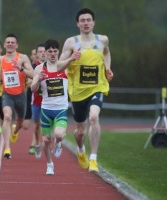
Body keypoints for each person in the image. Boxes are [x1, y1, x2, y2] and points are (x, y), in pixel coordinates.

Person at [58, 8, 114, 172]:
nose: (86, 23)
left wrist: (107, 68)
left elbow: (107, 53)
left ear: (93, 22)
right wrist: (71, 58)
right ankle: (81, 149)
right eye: (82, 20)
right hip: (77, 92)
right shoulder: (71, 42)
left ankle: (94, 159)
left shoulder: (103, 40)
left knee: (94, 117)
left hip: (97, 87)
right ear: (77, 24)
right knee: (80, 131)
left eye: (88, 20)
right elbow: (59, 65)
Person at [31, 39, 69, 175]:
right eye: (50, 51)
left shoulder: (65, 67)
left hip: (61, 109)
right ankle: (49, 164)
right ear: (45, 53)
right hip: (46, 109)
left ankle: (58, 142)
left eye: (55, 51)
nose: (52, 54)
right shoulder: (39, 69)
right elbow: (33, 88)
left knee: (59, 135)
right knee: (45, 140)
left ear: (58, 52)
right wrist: (38, 79)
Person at [0, 33, 33, 159]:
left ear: (16, 45)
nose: (10, 44)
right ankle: (7, 148)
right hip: (7, 95)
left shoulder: (22, 57)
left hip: (21, 95)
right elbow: (2, 71)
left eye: (12, 42)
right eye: (8, 42)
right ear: (4, 45)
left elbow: (32, 74)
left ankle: (15, 132)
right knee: (8, 117)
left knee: (20, 122)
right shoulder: (1, 59)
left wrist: (20, 68)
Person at [31, 44, 46, 159]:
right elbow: (28, 78)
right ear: (36, 54)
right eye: (40, 52)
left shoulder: (52, 66)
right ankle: (37, 144)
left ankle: (47, 142)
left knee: (48, 125)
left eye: (44, 51)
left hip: (49, 101)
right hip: (36, 101)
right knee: (37, 125)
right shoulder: (34, 67)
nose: (42, 53)